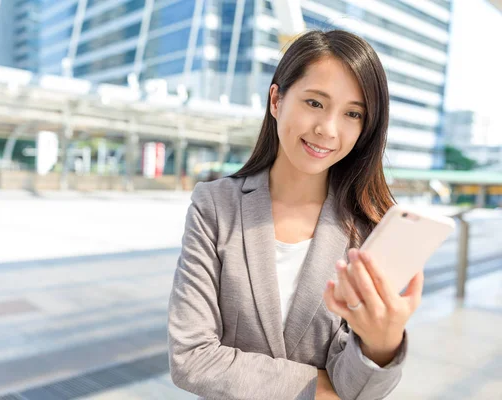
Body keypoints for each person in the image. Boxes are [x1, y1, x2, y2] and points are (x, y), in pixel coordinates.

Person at [168, 30, 423, 400]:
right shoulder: (215, 206)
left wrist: (381, 347)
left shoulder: (369, 228)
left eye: (353, 113)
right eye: (315, 103)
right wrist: (320, 389)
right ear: (276, 99)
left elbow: (359, 388)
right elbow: (191, 357)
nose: (328, 129)